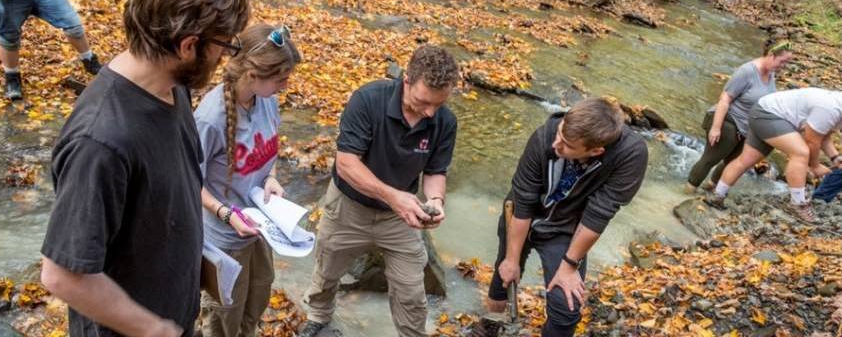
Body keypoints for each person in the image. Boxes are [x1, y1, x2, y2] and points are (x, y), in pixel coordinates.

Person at [39, 0, 250, 337]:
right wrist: (154, 329)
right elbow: (62, 275)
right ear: (188, 46)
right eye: (224, 46)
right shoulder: (101, 141)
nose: (224, 57)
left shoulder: (173, 87)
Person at [298, 45, 459, 337]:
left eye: (439, 104)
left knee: (412, 289)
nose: (430, 112)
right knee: (327, 272)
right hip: (349, 207)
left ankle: (412, 333)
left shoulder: (444, 121)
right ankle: (318, 318)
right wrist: (393, 197)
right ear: (406, 80)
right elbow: (346, 164)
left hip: (399, 218)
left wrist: (435, 200)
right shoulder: (368, 100)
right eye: (423, 101)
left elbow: (436, 171)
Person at [471, 98, 648, 337]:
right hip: (521, 215)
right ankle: (491, 325)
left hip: (567, 229)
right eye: (559, 133)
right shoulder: (545, 136)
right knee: (504, 276)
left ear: (595, 151)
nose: (556, 143)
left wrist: (569, 266)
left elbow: (598, 215)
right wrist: (512, 260)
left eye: (566, 144)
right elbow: (523, 203)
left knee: (567, 308)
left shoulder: (630, 155)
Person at [196, 24, 301, 337]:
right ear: (253, 75)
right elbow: (188, 182)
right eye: (281, 79)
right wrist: (226, 214)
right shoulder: (210, 118)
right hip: (224, 238)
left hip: (259, 228)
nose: (286, 85)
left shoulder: (267, 100)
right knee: (224, 316)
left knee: (257, 298)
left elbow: (268, 151)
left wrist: (271, 178)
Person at [709, 87, 842, 222]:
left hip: (762, 111)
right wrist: (815, 166)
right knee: (801, 153)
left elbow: (824, 135)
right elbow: (812, 141)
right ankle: (798, 203)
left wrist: (835, 157)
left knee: (746, 160)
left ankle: (717, 196)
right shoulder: (831, 109)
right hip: (768, 115)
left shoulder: (836, 108)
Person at [684, 41, 792, 194]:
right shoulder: (747, 71)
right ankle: (686, 193)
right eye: (782, 61)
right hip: (728, 120)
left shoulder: (771, 72)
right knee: (710, 159)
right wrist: (716, 128)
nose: (784, 66)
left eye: (787, 63)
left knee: (733, 163)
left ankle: (709, 189)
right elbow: (725, 98)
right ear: (771, 55)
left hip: (747, 128)